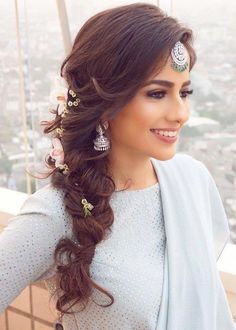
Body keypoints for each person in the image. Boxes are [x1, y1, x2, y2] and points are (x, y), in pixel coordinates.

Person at [0, 3, 235, 330]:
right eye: (157, 93)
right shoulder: (57, 213)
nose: (180, 112)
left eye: (184, 92)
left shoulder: (192, 180)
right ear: (105, 101)